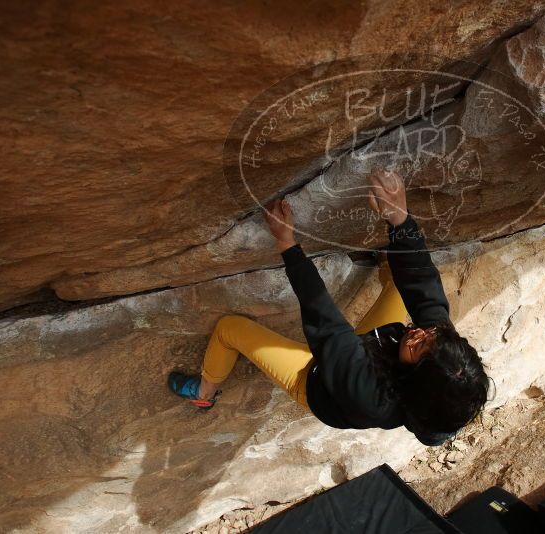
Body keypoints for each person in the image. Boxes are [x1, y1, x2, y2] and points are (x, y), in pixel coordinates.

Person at [168, 169, 491, 445]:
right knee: (399, 281)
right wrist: (399, 218)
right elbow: (423, 285)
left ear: (413, 381)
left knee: (230, 329)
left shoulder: (370, 397)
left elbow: (325, 321)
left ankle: (204, 391)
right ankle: (384, 262)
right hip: (373, 349)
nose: (418, 332)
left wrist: (287, 244)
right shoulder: (437, 348)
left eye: (420, 346)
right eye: (431, 333)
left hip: (317, 379)